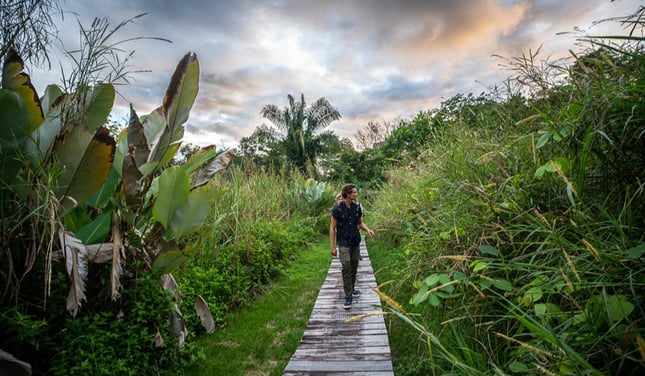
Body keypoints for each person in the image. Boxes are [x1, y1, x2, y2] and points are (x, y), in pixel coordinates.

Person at [330, 184, 374, 310]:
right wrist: (332, 246)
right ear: (348, 194)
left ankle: (352, 287)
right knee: (346, 266)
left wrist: (368, 229)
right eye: (354, 192)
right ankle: (348, 296)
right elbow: (332, 228)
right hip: (343, 242)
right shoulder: (337, 209)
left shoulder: (357, 208)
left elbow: (360, 223)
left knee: (354, 267)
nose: (356, 194)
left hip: (355, 242)